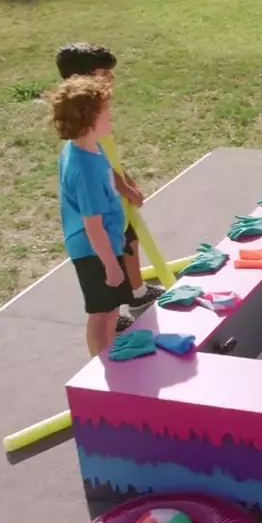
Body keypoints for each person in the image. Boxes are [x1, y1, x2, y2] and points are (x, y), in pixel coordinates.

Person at [56, 43, 163, 330]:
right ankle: (118, 308)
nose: (112, 79)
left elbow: (106, 158)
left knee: (128, 240)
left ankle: (133, 294)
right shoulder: (86, 122)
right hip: (98, 212)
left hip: (109, 200)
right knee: (117, 253)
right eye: (104, 73)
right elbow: (95, 169)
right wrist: (123, 186)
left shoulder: (91, 117)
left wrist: (124, 180)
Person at [48, 76, 132, 357]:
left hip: (104, 244)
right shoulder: (84, 171)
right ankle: (100, 364)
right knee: (101, 313)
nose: (111, 116)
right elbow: (93, 226)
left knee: (111, 309)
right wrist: (111, 265)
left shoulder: (86, 148)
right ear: (89, 119)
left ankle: (108, 355)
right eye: (105, 111)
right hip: (94, 250)